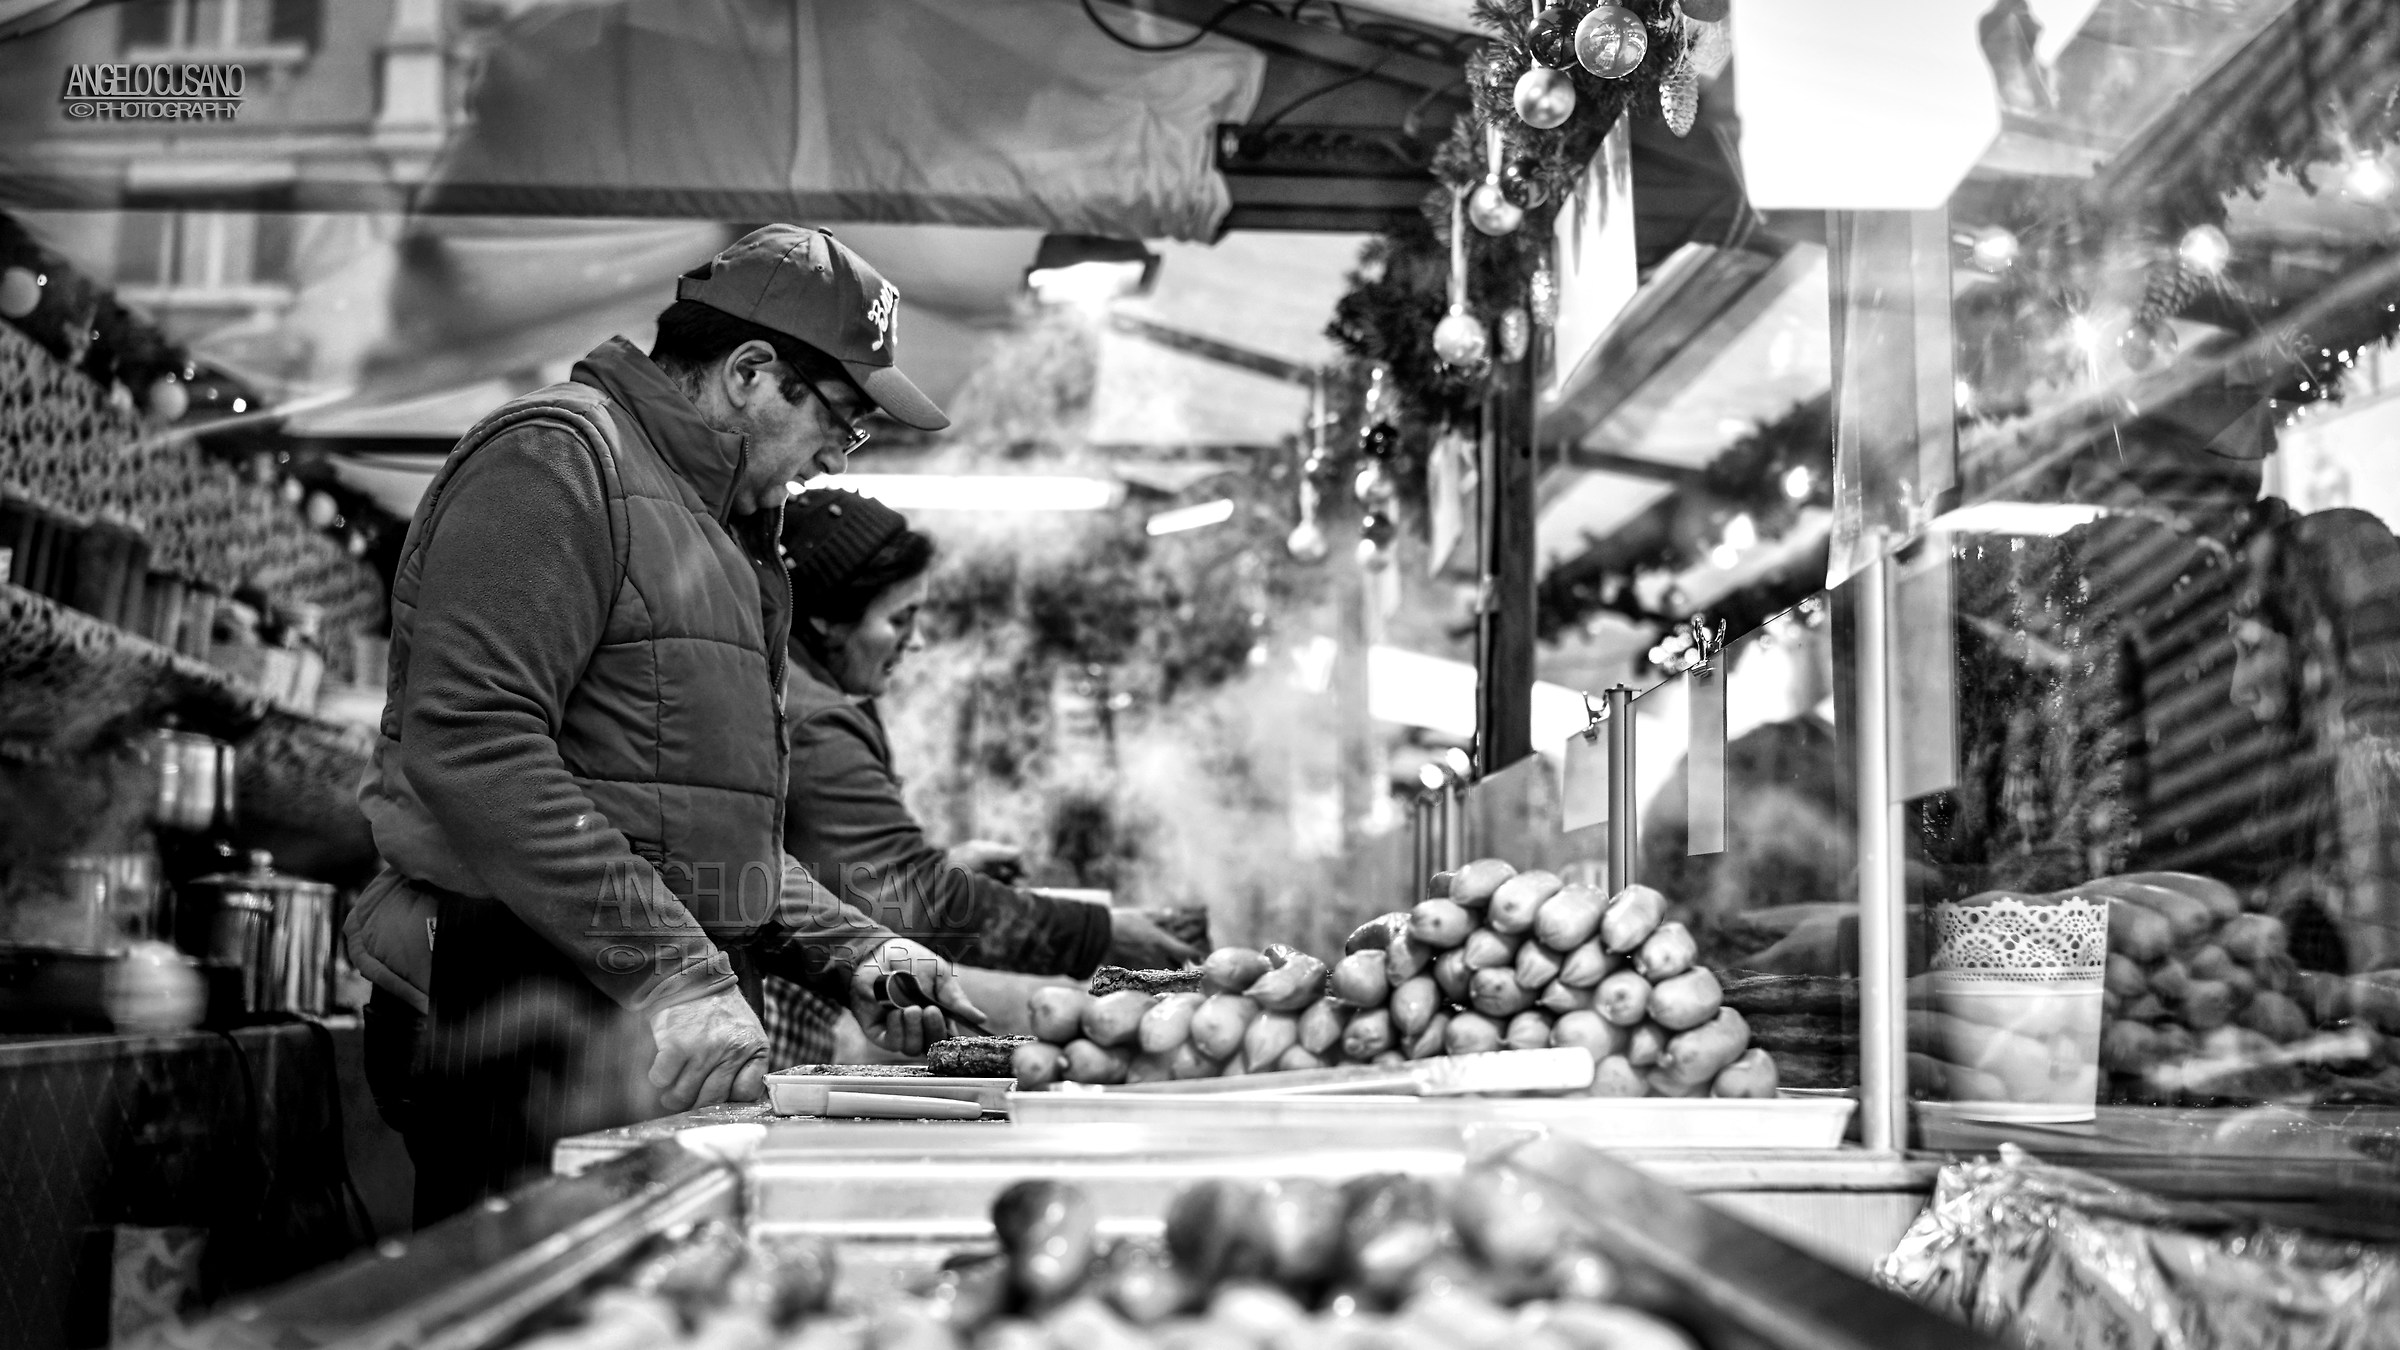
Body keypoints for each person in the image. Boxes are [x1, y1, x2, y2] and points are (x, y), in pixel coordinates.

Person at [349, 225, 984, 1224]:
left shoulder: (726, 536)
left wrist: (856, 949)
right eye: (843, 420)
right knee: (540, 1316)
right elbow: (474, 746)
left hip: (644, 1017)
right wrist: (675, 969)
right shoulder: (557, 459)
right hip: (519, 1001)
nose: (836, 454)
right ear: (749, 372)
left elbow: (699, 829)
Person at [762, 489, 1200, 1065]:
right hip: (782, 1027)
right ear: (823, 618)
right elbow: (916, 905)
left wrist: (947, 867)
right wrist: (1099, 933)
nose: (915, 642)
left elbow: (844, 872)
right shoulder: (816, 718)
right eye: (900, 619)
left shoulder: (803, 694)